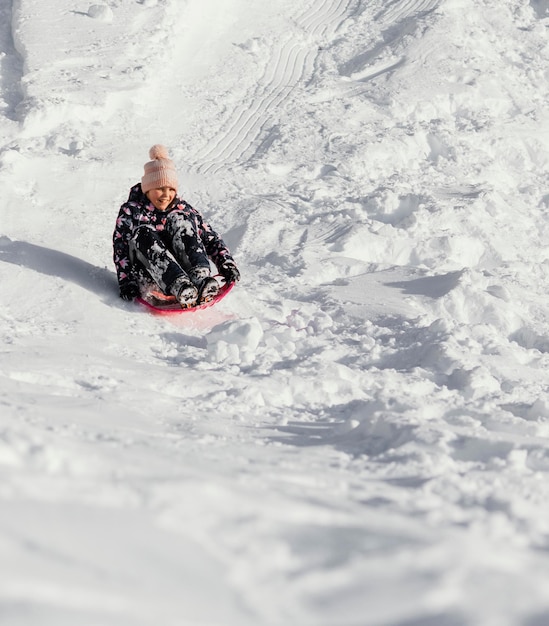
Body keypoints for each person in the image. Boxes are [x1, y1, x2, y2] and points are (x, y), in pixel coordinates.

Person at [113, 145, 240, 308]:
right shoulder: (132, 211)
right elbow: (121, 248)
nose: (166, 195)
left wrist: (226, 263)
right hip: (147, 273)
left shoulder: (182, 209)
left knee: (181, 221)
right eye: (159, 188)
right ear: (147, 189)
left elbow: (209, 238)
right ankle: (177, 284)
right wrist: (127, 282)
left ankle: (200, 279)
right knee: (144, 232)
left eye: (171, 189)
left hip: (188, 278)